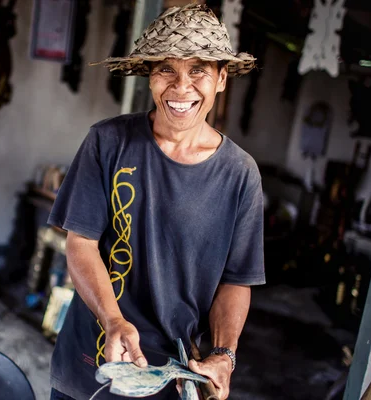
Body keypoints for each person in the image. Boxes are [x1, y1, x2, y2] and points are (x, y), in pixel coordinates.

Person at [48, 5, 263, 400]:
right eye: (167, 69)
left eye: (198, 70)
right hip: (92, 357)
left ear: (221, 79)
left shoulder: (239, 173)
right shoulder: (108, 141)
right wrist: (113, 319)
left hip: (174, 374)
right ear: (150, 76)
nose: (181, 88)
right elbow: (81, 243)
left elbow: (236, 279)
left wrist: (223, 354)